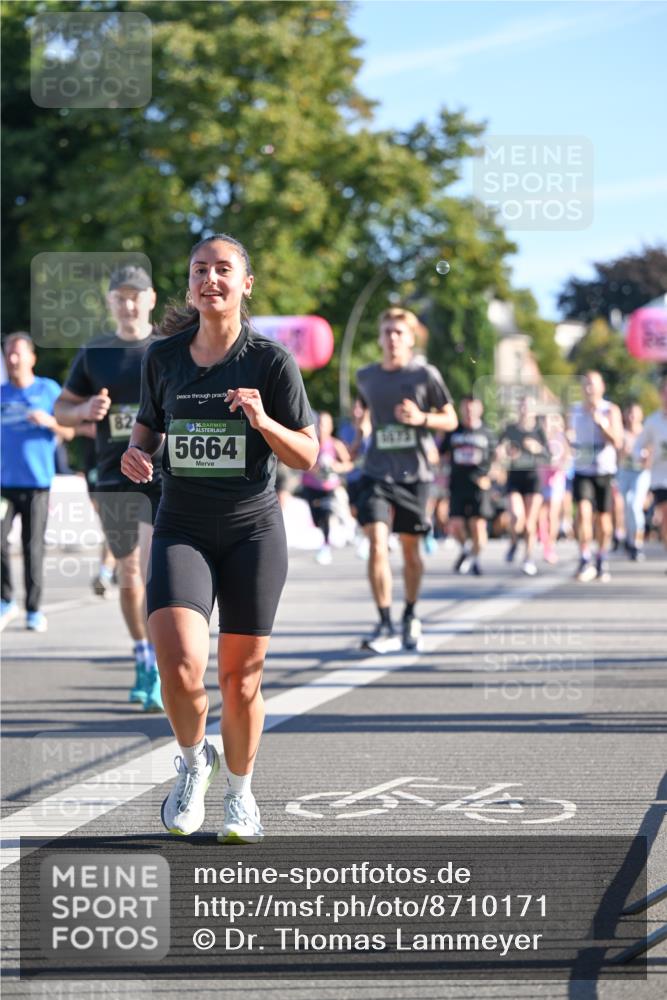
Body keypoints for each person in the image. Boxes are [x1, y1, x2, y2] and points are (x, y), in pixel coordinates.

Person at [120, 233, 317, 843]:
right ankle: (193, 759)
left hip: (252, 529)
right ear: (189, 285)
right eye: (200, 269)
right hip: (182, 524)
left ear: (245, 283)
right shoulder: (165, 357)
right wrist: (135, 452)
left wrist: (262, 420)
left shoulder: (271, 361)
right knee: (179, 666)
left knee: (241, 679)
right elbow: (148, 427)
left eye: (223, 269)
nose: (211, 278)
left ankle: (241, 795)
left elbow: (308, 455)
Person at [54, 265, 164, 710]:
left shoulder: (168, 348)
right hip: (112, 475)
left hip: (161, 474)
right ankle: (145, 659)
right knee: (130, 573)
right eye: (119, 296)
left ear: (151, 299)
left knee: (153, 569)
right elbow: (61, 409)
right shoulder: (95, 351)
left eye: (135, 295)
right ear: (110, 302)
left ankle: (162, 658)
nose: (128, 303)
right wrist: (85, 408)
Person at [354, 307, 457, 653]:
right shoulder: (365, 376)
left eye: (400, 333)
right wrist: (362, 424)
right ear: (380, 338)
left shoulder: (425, 375)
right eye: (387, 332)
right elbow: (363, 409)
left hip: (414, 475)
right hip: (376, 472)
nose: (393, 338)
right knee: (377, 544)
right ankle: (384, 622)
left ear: (411, 339)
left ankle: (410, 614)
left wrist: (421, 417)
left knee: (411, 552)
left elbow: (451, 420)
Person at [1, 333, 76, 632]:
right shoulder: (1, 393)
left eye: (18, 353)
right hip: (4, 485)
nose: (13, 359)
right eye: (8, 354)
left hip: (37, 485)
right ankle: (6, 599)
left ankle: (33, 609)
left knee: (32, 547)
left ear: (32, 357)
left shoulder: (48, 391)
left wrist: (51, 423)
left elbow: (70, 432)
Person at [568, 371, 623, 582]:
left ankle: (601, 556)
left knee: (604, 522)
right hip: (582, 470)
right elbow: (567, 436)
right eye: (585, 384)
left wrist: (601, 423)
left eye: (592, 384)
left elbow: (617, 441)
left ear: (602, 387)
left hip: (604, 471)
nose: (588, 388)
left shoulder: (610, 410)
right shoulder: (574, 410)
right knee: (582, 513)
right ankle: (584, 557)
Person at [441, 395, 496, 577]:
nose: (469, 411)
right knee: (456, 525)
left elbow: (497, 459)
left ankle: (476, 560)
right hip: (457, 484)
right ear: (461, 410)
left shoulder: (487, 432)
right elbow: (441, 454)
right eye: (466, 408)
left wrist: (490, 476)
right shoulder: (453, 431)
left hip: (479, 486)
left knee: (478, 527)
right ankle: (466, 550)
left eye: (473, 408)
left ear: (480, 409)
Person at [498, 396, 549, 576]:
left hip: (533, 479)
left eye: (528, 407)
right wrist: (504, 454)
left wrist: (536, 449)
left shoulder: (538, 430)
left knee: (529, 524)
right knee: (517, 517)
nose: (524, 410)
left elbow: (548, 456)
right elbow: (498, 450)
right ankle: (513, 541)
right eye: (522, 406)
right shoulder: (510, 429)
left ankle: (528, 558)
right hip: (514, 478)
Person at [300, 411, 352, 565]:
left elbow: (349, 464)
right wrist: (313, 468)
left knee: (326, 515)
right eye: (319, 423)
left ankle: (325, 546)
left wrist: (336, 467)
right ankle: (324, 541)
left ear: (330, 427)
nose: (321, 427)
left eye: (325, 424)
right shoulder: (310, 443)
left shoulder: (336, 444)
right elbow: (301, 462)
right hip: (311, 486)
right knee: (317, 520)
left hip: (329, 488)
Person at [633, 376, 667, 556]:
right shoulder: (653, 421)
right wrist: (643, 455)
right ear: (662, 394)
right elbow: (638, 446)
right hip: (661, 477)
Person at [616, 403, 651, 561]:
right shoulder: (621, 433)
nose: (632, 417)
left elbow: (651, 456)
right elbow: (618, 456)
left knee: (635, 505)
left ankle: (637, 542)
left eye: (635, 414)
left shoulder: (645, 433)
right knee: (626, 506)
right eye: (629, 413)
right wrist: (624, 450)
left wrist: (643, 457)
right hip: (624, 472)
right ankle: (630, 541)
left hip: (641, 473)